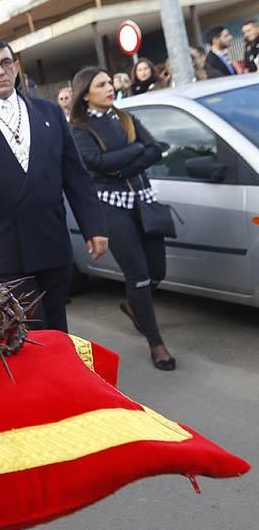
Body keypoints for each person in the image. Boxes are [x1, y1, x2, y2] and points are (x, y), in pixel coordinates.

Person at [0, 40, 108, 332]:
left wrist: (93, 226)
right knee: (28, 330)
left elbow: (75, 174)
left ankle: (64, 378)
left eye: (6, 62)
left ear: (16, 66)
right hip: (4, 248)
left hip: (51, 239)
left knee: (57, 325)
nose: (0, 71)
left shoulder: (49, 113)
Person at [69, 66, 176, 371]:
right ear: (85, 93)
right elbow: (97, 164)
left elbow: (156, 148)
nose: (109, 87)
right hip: (111, 206)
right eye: (101, 84)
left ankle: (134, 306)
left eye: (109, 82)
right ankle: (156, 343)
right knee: (139, 275)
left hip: (143, 199)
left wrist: (122, 165)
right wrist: (136, 151)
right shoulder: (80, 128)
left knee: (157, 272)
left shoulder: (124, 117)